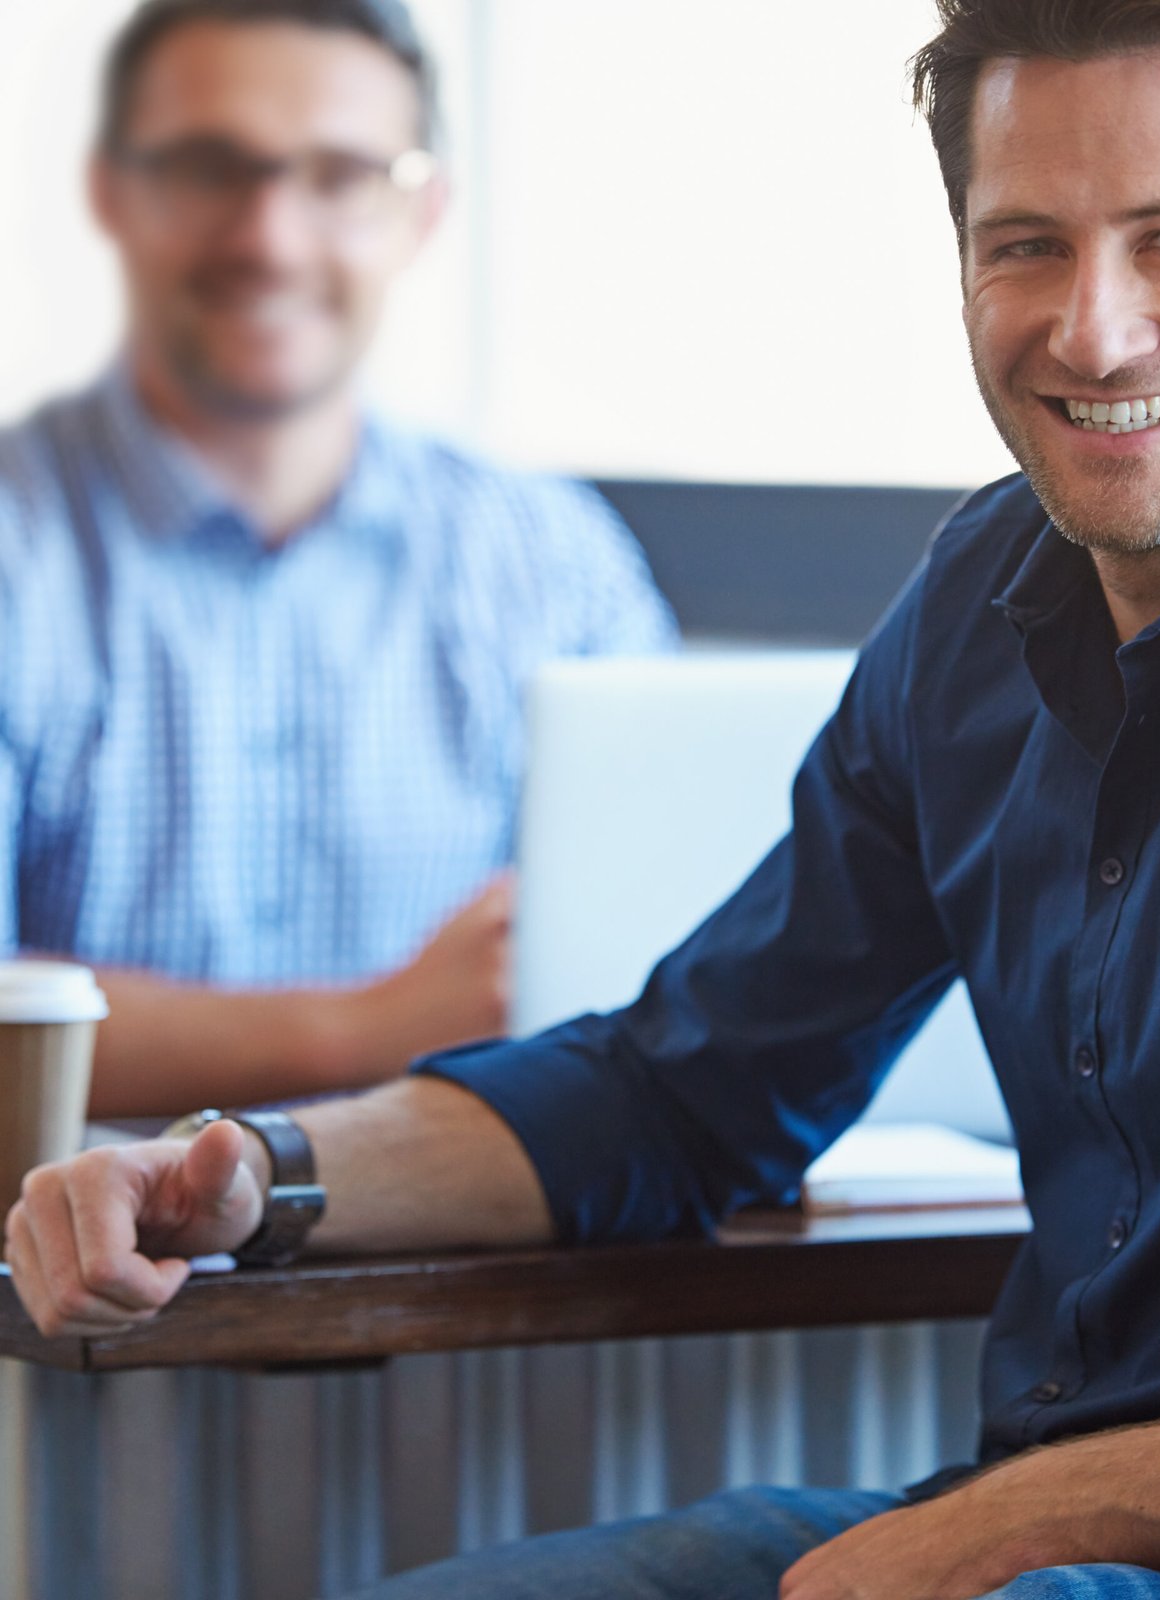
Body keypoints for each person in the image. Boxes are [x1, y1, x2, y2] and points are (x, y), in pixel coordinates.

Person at [9, 0, 1160, 1597]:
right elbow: (686, 1092)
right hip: (1024, 1521)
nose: (1095, 331)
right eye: (1026, 244)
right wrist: (251, 1173)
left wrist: (992, 1531)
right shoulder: (981, 598)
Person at [0, 0, 677, 1117]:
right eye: (210, 168)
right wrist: (365, 1026)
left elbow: (668, 972)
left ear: (423, 213)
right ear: (110, 193)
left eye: (342, 176)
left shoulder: (556, 566)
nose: (269, 236)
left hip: (476, 1257)